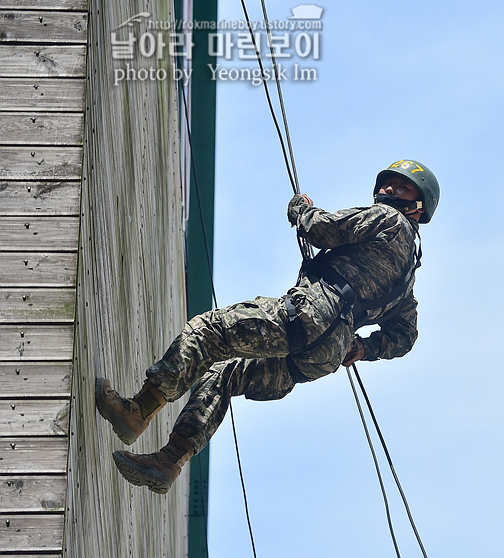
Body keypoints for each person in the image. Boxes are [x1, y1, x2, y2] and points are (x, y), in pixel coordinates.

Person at [95, 160, 439, 494]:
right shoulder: (407, 280)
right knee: (224, 374)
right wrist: (364, 348)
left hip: (308, 316)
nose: (388, 188)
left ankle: (138, 411)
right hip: (322, 357)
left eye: (403, 186)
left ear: (418, 208)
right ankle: (169, 461)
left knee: (209, 331)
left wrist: (301, 209)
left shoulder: (388, 219)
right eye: (387, 181)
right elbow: (405, 336)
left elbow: (325, 229)